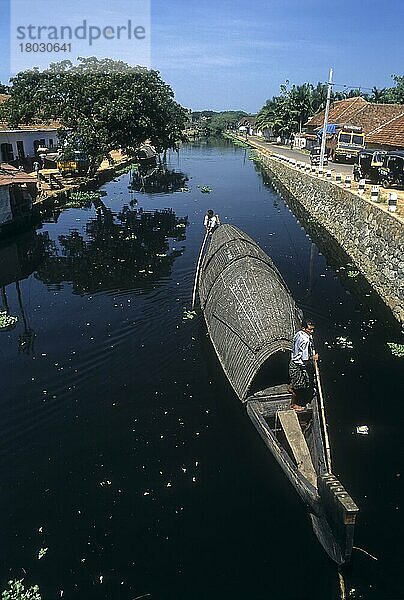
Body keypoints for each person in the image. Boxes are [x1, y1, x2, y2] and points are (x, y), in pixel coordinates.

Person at [289, 319, 318, 411]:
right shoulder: (305, 340)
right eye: (310, 330)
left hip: (293, 362)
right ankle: (297, 404)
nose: (312, 331)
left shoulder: (298, 334)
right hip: (298, 366)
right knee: (303, 386)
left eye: (312, 329)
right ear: (303, 328)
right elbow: (305, 358)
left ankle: (293, 387)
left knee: (297, 382)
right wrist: (313, 357)